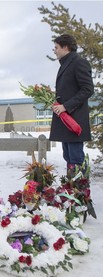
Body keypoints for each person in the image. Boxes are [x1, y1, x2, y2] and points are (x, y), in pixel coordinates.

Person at [50, 34, 94, 176]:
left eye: (56, 47)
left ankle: (80, 192)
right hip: (65, 120)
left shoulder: (79, 62)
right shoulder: (66, 63)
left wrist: (65, 106)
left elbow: (87, 89)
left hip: (74, 119)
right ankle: (71, 191)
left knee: (76, 159)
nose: (55, 50)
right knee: (68, 157)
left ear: (65, 47)